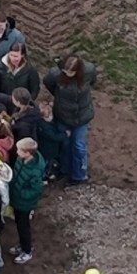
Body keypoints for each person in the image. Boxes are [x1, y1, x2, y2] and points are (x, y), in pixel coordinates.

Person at [45, 55, 98, 184]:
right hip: (63, 116)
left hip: (82, 116)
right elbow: (49, 84)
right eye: (65, 71)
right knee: (65, 144)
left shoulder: (89, 71)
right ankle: (64, 169)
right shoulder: (55, 75)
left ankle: (79, 175)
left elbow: (93, 82)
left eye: (71, 71)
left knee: (79, 146)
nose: (68, 74)